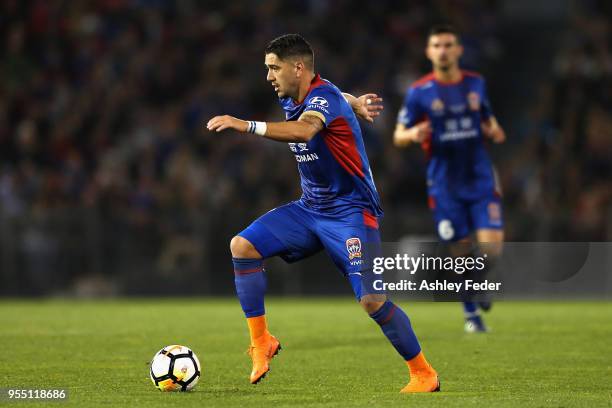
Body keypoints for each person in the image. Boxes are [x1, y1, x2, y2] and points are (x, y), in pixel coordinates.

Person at [207, 34, 439, 393]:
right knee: (242, 246)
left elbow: (307, 127)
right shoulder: (304, 93)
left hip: (351, 214)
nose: (268, 76)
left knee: (372, 301)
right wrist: (354, 103)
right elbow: (335, 95)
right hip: (310, 209)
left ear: (298, 68)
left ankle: (423, 373)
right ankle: (262, 341)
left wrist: (246, 125)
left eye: (274, 68)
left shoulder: (320, 100)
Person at [394, 24, 506, 333]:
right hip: (445, 185)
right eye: (437, 46)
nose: (443, 50)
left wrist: (493, 127)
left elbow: (486, 116)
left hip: (480, 178)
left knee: (492, 247)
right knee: (459, 250)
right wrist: (413, 133)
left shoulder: (475, 84)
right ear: (429, 52)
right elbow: (398, 135)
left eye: (448, 45)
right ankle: (472, 315)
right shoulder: (420, 92)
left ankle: (477, 284)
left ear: (458, 50)